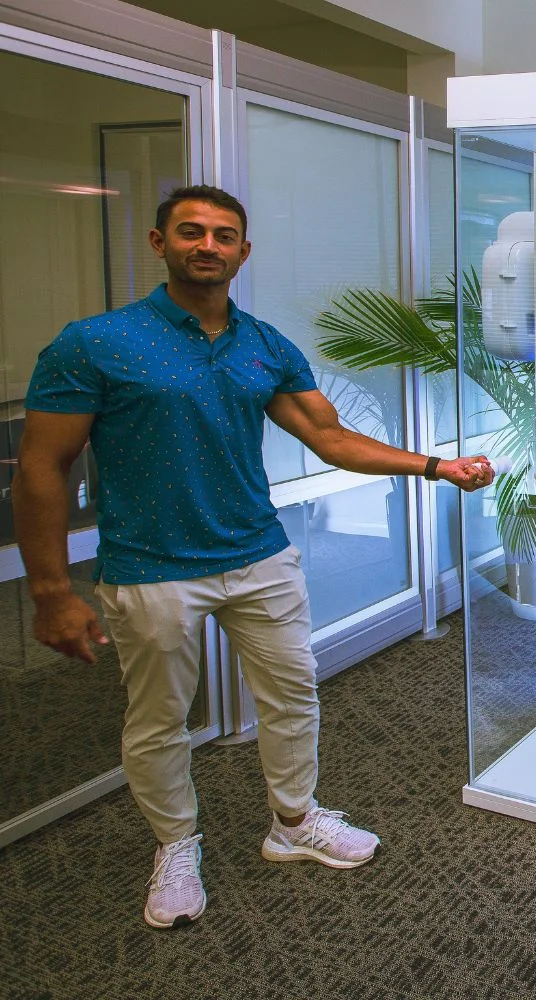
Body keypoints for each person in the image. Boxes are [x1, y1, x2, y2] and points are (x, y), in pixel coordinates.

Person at [13, 185, 495, 930]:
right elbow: (43, 467)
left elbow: (330, 438)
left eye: (223, 235)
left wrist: (437, 467)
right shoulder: (97, 342)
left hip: (258, 555)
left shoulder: (264, 344)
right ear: (159, 243)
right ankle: (176, 846)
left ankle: (293, 822)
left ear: (243, 252)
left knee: (294, 695)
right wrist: (50, 590)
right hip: (150, 567)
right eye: (191, 232)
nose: (207, 245)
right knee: (159, 721)